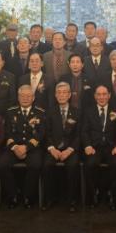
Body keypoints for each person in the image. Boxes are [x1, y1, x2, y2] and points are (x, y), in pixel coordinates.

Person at [0, 85, 45, 209]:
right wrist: (15, 147)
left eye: (28, 96)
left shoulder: (40, 112)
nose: (25, 98)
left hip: (32, 148)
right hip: (13, 147)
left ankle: (28, 196)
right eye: (22, 96)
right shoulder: (10, 112)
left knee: (36, 165)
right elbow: (7, 133)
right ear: (18, 97)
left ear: (33, 98)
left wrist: (26, 147)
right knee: (2, 165)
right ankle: (13, 195)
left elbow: (41, 134)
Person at [81, 85, 116, 210]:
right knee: (90, 163)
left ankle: (113, 196)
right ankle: (93, 194)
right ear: (95, 96)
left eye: (104, 94)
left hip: (111, 147)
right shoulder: (88, 111)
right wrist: (87, 145)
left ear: (109, 95)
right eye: (98, 94)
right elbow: (84, 131)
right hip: (94, 147)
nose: (101, 97)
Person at [42, 82, 81, 212]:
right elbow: (46, 133)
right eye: (59, 92)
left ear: (69, 95)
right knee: (47, 165)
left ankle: (72, 200)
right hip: (53, 148)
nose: (62, 95)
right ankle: (50, 199)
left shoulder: (77, 112)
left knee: (73, 166)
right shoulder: (49, 112)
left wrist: (69, 150)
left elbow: (79, 135)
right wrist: (52, 148)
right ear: (55, 95)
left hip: (70, 149)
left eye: (65, 92)